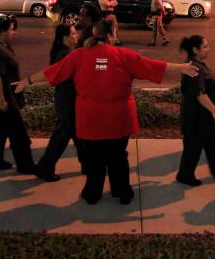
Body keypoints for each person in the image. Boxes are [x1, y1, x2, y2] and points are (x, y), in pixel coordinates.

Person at [14, 19, 198, 205]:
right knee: (118, 156)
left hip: (90, 119)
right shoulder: (123, 55)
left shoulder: (79, 55)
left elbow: (52, 72)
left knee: (94, 159)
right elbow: (153, 66)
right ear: (111, 35)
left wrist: (26, 81)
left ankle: (92, 193)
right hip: (118, 119)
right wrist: (181, 67)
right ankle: (122, 192)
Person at [175, 35, 215, 186]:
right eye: (205, 46)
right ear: (195, 50)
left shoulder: (196, 64)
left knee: (211, 141)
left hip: (202, 115)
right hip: (196, 116)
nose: (209, 49)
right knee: (193, 145)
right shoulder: (194, 68)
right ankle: (185, 175)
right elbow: (199, 93)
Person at [0, 15, 35, 173]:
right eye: (11, 30)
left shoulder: (2, 46)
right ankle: (25, 165)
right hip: (6, 97)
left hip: (7, 95)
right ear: (3, 31)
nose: (14, 33)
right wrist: (1, 100)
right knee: (19, 135)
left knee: (0, 131)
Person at [34, 24, 82, 182]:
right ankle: (45, 166)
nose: (77, 35)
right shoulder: (64, 55)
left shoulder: (65, 52)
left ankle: (89, 164)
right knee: (62, 136)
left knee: (77, 135)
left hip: (68, 99)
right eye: (73, 33)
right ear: (64, 38)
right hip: (68, 100)